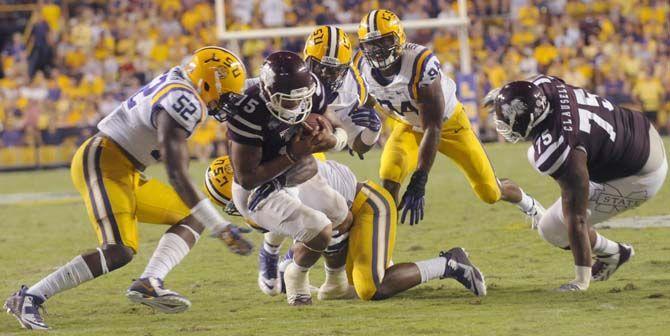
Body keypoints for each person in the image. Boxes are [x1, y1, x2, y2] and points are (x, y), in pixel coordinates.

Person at [3, 46, 254, 330]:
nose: (224, 103)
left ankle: (150, 281)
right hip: (103, 162)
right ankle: (29, 297)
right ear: (205, 84)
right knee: (119, 250)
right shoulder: (183, 102)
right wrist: (220, 227)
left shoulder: (187, 83)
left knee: (191, 216)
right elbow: (178, 175)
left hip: (126, 168)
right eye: (223, 95)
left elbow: (238, 86)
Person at [354, 9, 543, 226]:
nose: (377, 50)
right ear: (362, 46)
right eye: (371, 44)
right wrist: (358, 128)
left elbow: (433, 127)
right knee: (389, 179)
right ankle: (382, 253)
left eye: (384, 41)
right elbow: (366, 98)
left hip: (449, 126)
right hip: (408, 126)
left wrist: (420, 179)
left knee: (490, 191)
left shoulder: (419, 64)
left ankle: (530, 205)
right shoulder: (360, 66)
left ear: (399, 38)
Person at [205, 156, 487, 300]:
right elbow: (281, 233)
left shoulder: (285, 192)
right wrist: (271, 263)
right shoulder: (269, 186)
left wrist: (289, 267)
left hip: (365, 207)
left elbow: (326, 227)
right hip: (344, 217)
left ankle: (449, 263)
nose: (243, 210)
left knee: (370, 288)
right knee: (357, 280)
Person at [488, 75, 667, 291]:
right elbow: (530, 92)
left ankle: (612, 254)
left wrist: (581, 280)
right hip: (637, 128)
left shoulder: (560, 148)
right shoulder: (543, 86)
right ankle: (615, 252)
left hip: (641, 175)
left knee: (553, 228)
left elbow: (577, 218)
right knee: (537, 157)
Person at [253, 25, 383, 297]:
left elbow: (356, 147)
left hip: (316, 147)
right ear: (307, 61)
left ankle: (296, 262)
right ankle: (272, 251)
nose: (326, 75)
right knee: (293, 197)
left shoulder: (352, 89)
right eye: (321, 67)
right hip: (282, 145)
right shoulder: (290, 76)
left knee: (329, 210)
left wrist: (370, 133)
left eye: (334, 70)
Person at [226, 51, 349, 305]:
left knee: (341, 215)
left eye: (301, 99)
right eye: (288, 100)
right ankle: (296, 275)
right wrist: (293, 154)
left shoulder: (311, 87)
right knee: (319, 229)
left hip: (295, 171)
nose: (297, 106)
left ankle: (325, 277)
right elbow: (247, 178)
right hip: (257, 189)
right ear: (268, 93)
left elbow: (337, 128)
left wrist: (333, 140)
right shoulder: (248, 110)